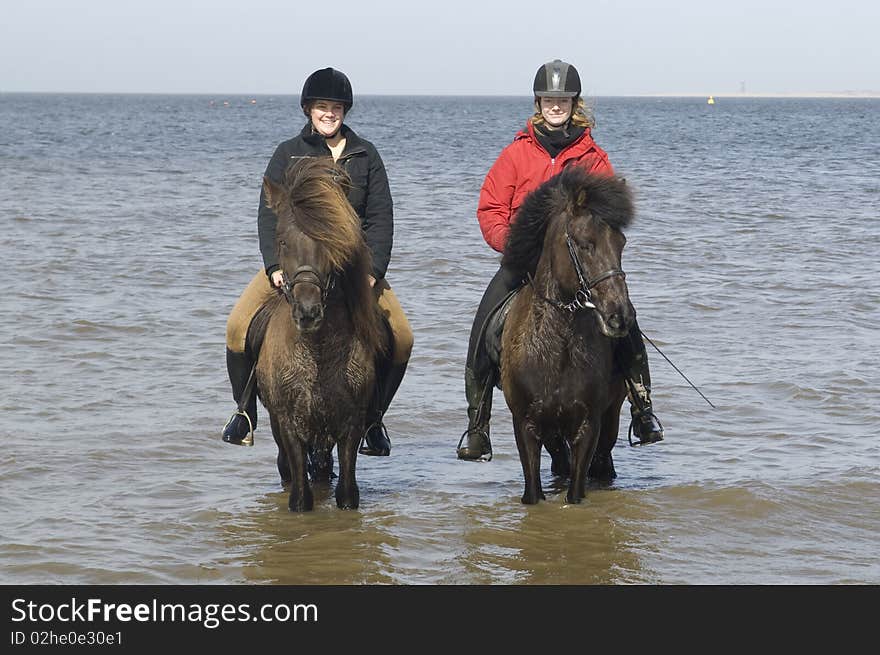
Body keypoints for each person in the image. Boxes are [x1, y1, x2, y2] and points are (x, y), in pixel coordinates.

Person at [456, 59, 664, 461]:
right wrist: (514, 246)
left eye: (563, 99)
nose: (556, 105)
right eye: (550, 98)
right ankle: (477, 426)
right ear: (539, 102)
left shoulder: (594, 158)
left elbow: (609, 218)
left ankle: (642, 408)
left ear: (574, 103)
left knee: (625, 317)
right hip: (524, 264)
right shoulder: (516, 155)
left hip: (579, 270)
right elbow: (491, 209)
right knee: (483, 326)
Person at [222, 67, 413, 456]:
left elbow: (381, 216)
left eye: (336, 107)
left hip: (353, 269)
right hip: (297, 265)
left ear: (346, 110)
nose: (329, 113)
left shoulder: (365, 155)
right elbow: (268, 214)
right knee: (237, 326)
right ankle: (244, 414)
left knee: (403, 338)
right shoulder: (288, 153)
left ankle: (374, 420)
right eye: (322, 106)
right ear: (308, 109)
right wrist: (275, 265)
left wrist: (374, 272)